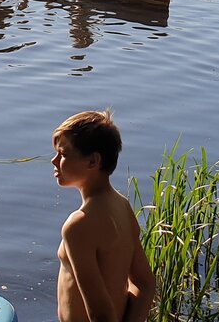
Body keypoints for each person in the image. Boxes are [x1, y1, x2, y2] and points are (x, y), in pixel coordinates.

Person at [51, 111, 156, 322]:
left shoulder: (79, 225)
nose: (54, 161)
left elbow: (100, 314)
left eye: (63, 154)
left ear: (93, 161)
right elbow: (145, 285)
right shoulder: (121, 206)